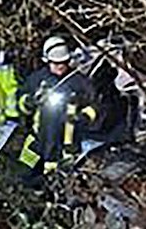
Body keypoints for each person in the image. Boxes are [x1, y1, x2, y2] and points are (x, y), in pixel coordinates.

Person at [15, 35, 100, 177]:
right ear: (47, 60)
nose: (60, 66)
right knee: (25, 175)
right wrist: (29, 101)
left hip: (67, 146)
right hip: (38, 141)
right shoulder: (37, 79)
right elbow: (20, 103)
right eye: (56, 63)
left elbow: (96, 106)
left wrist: (84, 116)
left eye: (64, 62)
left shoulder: (79, 82)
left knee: (60, 181)